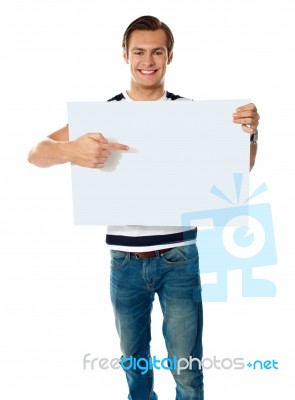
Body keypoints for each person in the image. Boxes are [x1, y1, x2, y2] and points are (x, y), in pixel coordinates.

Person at [28, 15, 260, 400]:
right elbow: (36, 153)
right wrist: (71, 150)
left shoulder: (192, 112)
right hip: (124, 261)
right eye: (139, 51)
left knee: (187, 368)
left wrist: (252, 133)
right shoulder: (103, 116)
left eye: (157, 51)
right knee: (133, 364)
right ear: (125, 55)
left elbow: (240, 170)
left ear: (169, 56)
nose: (147, 60)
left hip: (179, 257)